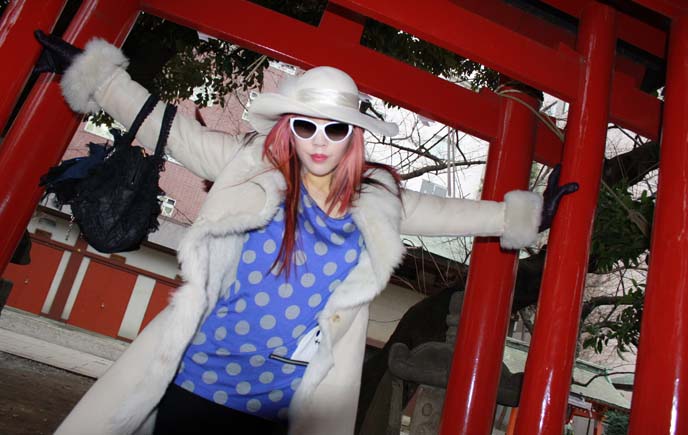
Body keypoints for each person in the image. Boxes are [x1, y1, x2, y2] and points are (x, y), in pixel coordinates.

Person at [34, 31, 577, 435]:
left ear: (354, 136)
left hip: (282, 406)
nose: (319, 140)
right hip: (194, 381)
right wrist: (98, 78)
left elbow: (452, 212)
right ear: (287, 126)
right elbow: (167, 128)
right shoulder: (249, 162)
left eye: (335, 127)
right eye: (305, 125)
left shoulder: (378, 199)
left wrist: (523, 217)